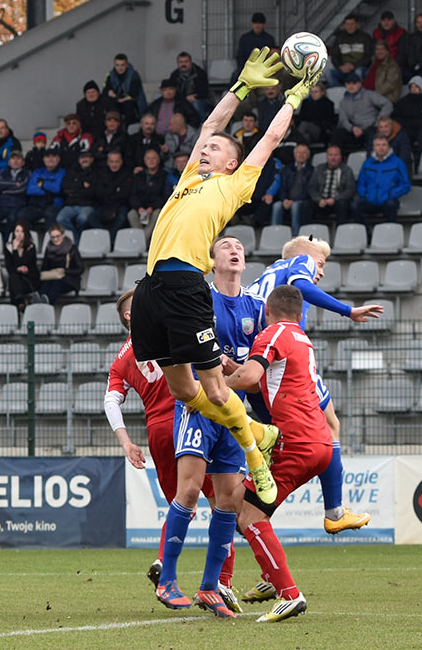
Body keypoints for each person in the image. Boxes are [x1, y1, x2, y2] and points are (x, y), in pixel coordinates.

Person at [128, 48, 315, 510]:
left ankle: (256, 455)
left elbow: (270, 138)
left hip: (188, 285)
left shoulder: (234, 184)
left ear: (232, 163)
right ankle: (258, 431)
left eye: (216, 149)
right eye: (205, 148)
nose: (206, 148)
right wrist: (242, 86)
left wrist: (294, 98)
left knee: (213, 389)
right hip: (151, 286)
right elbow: (211, 123)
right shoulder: (191, 175)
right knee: (184, 392)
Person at [106, 288, 236, 607]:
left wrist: (126, 442)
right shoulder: (169, 331)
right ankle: (221, 582)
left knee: (184, 503)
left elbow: (111, 400)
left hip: (159, 433)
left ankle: (167, 564)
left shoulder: (121, 360)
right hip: (191, 414)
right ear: (129, 316)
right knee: (224, 499)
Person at [243, 237, 376, 542]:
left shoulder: (265, 276)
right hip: (282, 354)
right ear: (305, 255)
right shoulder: (297, 262)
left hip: (256, 359)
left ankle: (259, 486)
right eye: (321, 262)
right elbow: (303, 287)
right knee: (330, 426)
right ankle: (335, 513)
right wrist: (348, 311)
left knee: (276, 434)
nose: (321, 272)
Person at [224, 286, 333, 622]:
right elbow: (260, 379)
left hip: (296, 442)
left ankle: (289, 594)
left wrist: (209, 389)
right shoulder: (300, 336)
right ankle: (272, 578)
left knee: (250, 517)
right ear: (300, 314)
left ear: (267, 312)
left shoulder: (272, 333)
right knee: (236, 502)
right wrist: (235, 368)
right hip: (318, 441)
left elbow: (250, 377)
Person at [354, 135, 410, 224]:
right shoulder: (368, 163)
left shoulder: (398, 162)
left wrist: (391, 193)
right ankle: (366, 233)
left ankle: (389, 233)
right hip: (370, 199)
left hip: (388, 199)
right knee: (355, 206)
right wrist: (365, 194)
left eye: (384, 145)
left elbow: (405, 185)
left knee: (391, 205)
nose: (381, 148)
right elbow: (361, 182)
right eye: (378, 145)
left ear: (388, 147)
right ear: (374, 147)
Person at [330, 76, 392, 152]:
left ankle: (372, 160)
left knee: (373, 133)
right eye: (348, 83)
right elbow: (343, 120)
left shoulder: (369, 94)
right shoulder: (343, 101)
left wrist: (378, 122)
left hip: (370, 127)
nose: (351, 86)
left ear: (360, 84)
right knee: (337, 134)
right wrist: (352, 128)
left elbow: (387, 104)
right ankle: (336, 159)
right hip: (355, 131)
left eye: (354, 83)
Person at [57, 151, 101, 240]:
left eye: (87, 157)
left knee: (83, 219)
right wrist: (81, 185)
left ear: (92, 159)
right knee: (60, 219)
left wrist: (74, 189)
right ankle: (77, 240)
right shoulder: (72, 171)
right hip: (71, 205)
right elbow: (64, 187)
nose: (84, 159)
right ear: (78, 160)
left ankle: (82, 240)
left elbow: (94, 192)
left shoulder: (97, 172)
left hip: (88, 205)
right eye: (82, 157)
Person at [271, 144, 313, 235]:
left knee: (295, 206)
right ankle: (274, 234)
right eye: (299, 152)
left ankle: (295, 235)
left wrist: (293, 201)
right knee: (276, 206)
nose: (301, 155)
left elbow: (309, 190)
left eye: (304, 153)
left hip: (302, 200)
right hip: (287, 199)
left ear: (308, 156)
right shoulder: (287, 169)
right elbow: (282, 188)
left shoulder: (312, 170)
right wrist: (284, 199)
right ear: (294, 154)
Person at [308, 145, 355, 225]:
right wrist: (318, 199)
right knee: (306, 204)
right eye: (330, 155)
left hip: (337, 201)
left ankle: (340, 231)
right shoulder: (319, 168)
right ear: (327, 156)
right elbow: (311, 187)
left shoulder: (347, 170)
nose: (333, 158)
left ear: (340, 157)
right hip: (321, 201)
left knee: (343, 204)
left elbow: (350, 190)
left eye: (336, 155)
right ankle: (306, 232)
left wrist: (335, 199)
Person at [127, 149, 169, 241]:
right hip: (141, 209)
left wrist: (152, 207)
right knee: (131, 214)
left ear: (158, 160)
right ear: (145, 161)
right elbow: (133, 195)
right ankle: (144, 241)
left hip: (155, 208)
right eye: (148, 158)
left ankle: (142, 241)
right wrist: (139, 208)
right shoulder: (139, 176)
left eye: (154, 158)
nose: (151, 161)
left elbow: (165, 196)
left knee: (158, 213)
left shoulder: (164, 175)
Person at [40, 223, 84, 304]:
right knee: (46, 284)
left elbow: (80, 269)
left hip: (69, 280)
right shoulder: (49, 249)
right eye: (53, 237)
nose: (55, 239)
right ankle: (42, 302)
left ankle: (47, 303)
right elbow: (44, 268)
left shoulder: (72, 248)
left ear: (63, 235)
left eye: (58, 236)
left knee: (57, 283)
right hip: (53, 277)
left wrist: (64, 271)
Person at [325, 13, 373, 87]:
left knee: (359, 72)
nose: (350, 26)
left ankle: (358, 94)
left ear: (357, 24)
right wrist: (340, 66)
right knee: (328, 73)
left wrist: (353, 66)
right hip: (343, 69)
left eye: (352, 24)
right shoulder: (339, 38)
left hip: (360, 68)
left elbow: (368, 56)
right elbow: (335, 56)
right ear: (344, 25)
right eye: (347, 24)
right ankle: (339, 95)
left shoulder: (365, 37)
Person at [22, 149, 65, 227]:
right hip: (36, 205)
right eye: (48, 157)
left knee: (50, 214)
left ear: (58, 159)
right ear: (44, 159)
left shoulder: (62, 172)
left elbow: (57, 188)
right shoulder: (37, 172)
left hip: (54, 205)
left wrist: (42, 185)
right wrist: (48, 191)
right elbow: (30, 190)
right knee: (22, 215)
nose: (50, 159)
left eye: (53, 156)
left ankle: (52, 238)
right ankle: (28, 238)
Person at [97, 150, 133, 240]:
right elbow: (98, 192)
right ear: (107, 162)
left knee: (122, 218)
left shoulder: (127, 173)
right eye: (112, 162)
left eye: (117, 162)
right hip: (104, 205)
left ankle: (109, 240)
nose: (114, 164)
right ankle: (105, 236)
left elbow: (125, 194)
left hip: (121, 205)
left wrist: (109, 191)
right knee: (90, 217)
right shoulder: (101, 173)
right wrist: (115, 189)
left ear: (121, 162)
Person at [4, 221, 40, 310]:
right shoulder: (8, 247)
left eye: (22, 231)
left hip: (29, 279)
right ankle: (20, 302)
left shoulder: (31, 247)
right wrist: (15, 250)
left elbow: (27, 265)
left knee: (14, 282)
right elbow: (9, 267)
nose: (19, 234)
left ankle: (19, 304)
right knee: (13, 276)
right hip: (16, 279)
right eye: (17, 231)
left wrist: (15, 251)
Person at [104, 53, 147, 127]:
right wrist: (109, 92)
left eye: (122, 65)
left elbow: (133, 94)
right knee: (109, 104)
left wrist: (120, 98)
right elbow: (105, 90)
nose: (120, 68)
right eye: (117, 65)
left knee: (128, 105)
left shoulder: (134, 75)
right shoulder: (111, 75)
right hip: (118, 102)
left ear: (127, 65)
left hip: (133, 104)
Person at [168, 51, 210, 122]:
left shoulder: (200, 73)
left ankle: (200, 127)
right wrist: (185, 98)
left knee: (196, 104)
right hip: (181, 99)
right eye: (181, 62)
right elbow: (172, 92)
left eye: (186, 61)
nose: (183, 64)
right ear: (177, 63)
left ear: (191, 62)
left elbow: (204, 92)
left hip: (198, 99)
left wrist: (194, 97)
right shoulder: (174, 75)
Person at [363, 40, 402, 104]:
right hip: (369, 95)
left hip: (385, 98)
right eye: (377, 49)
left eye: (382, 49)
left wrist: (372, 94)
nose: (380, 51)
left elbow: (390, 85)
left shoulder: (392, 65)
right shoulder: (374, 62)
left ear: (387, 51)